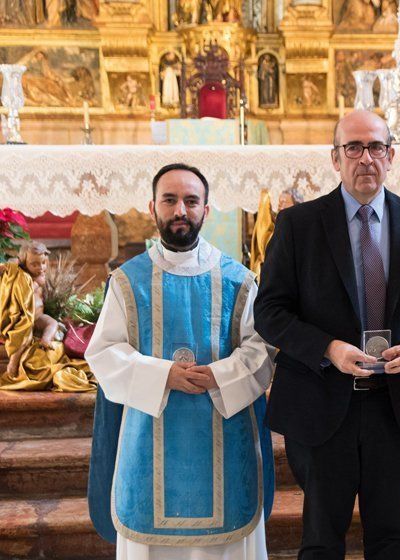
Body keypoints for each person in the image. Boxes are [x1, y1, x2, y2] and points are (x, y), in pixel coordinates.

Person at [254, 110, 400, 559]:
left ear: (391, 155)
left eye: (375, 147)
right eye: (353, 148)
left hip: (392, 407)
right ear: (335, 158)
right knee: (320, 539)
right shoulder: (299, 226)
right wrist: (328, 348)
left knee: (391, 538)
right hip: (321, 403)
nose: (365, 158)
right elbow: (269, 310)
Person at [86, 163, 276, 560]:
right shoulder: (127, 281)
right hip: (147, 443)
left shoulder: (238, 280)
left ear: (206, 210)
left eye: (191, 201)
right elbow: (104, 353)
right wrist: (163, 375)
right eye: (169, 200)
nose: (180, 211)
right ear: (152, 207)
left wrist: (219, 376)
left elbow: (262, 350)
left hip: (225, 443)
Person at [0, 241, 96, 392]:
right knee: (22, 334)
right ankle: (14, 361)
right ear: (25, 263)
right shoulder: (23, 278)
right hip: (28, 318)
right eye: (35, 264)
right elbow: (13, 269)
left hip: (38, 315)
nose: (41, 268)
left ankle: (46, 339)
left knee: (52, 323)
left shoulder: (38, 276)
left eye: (43, 263)